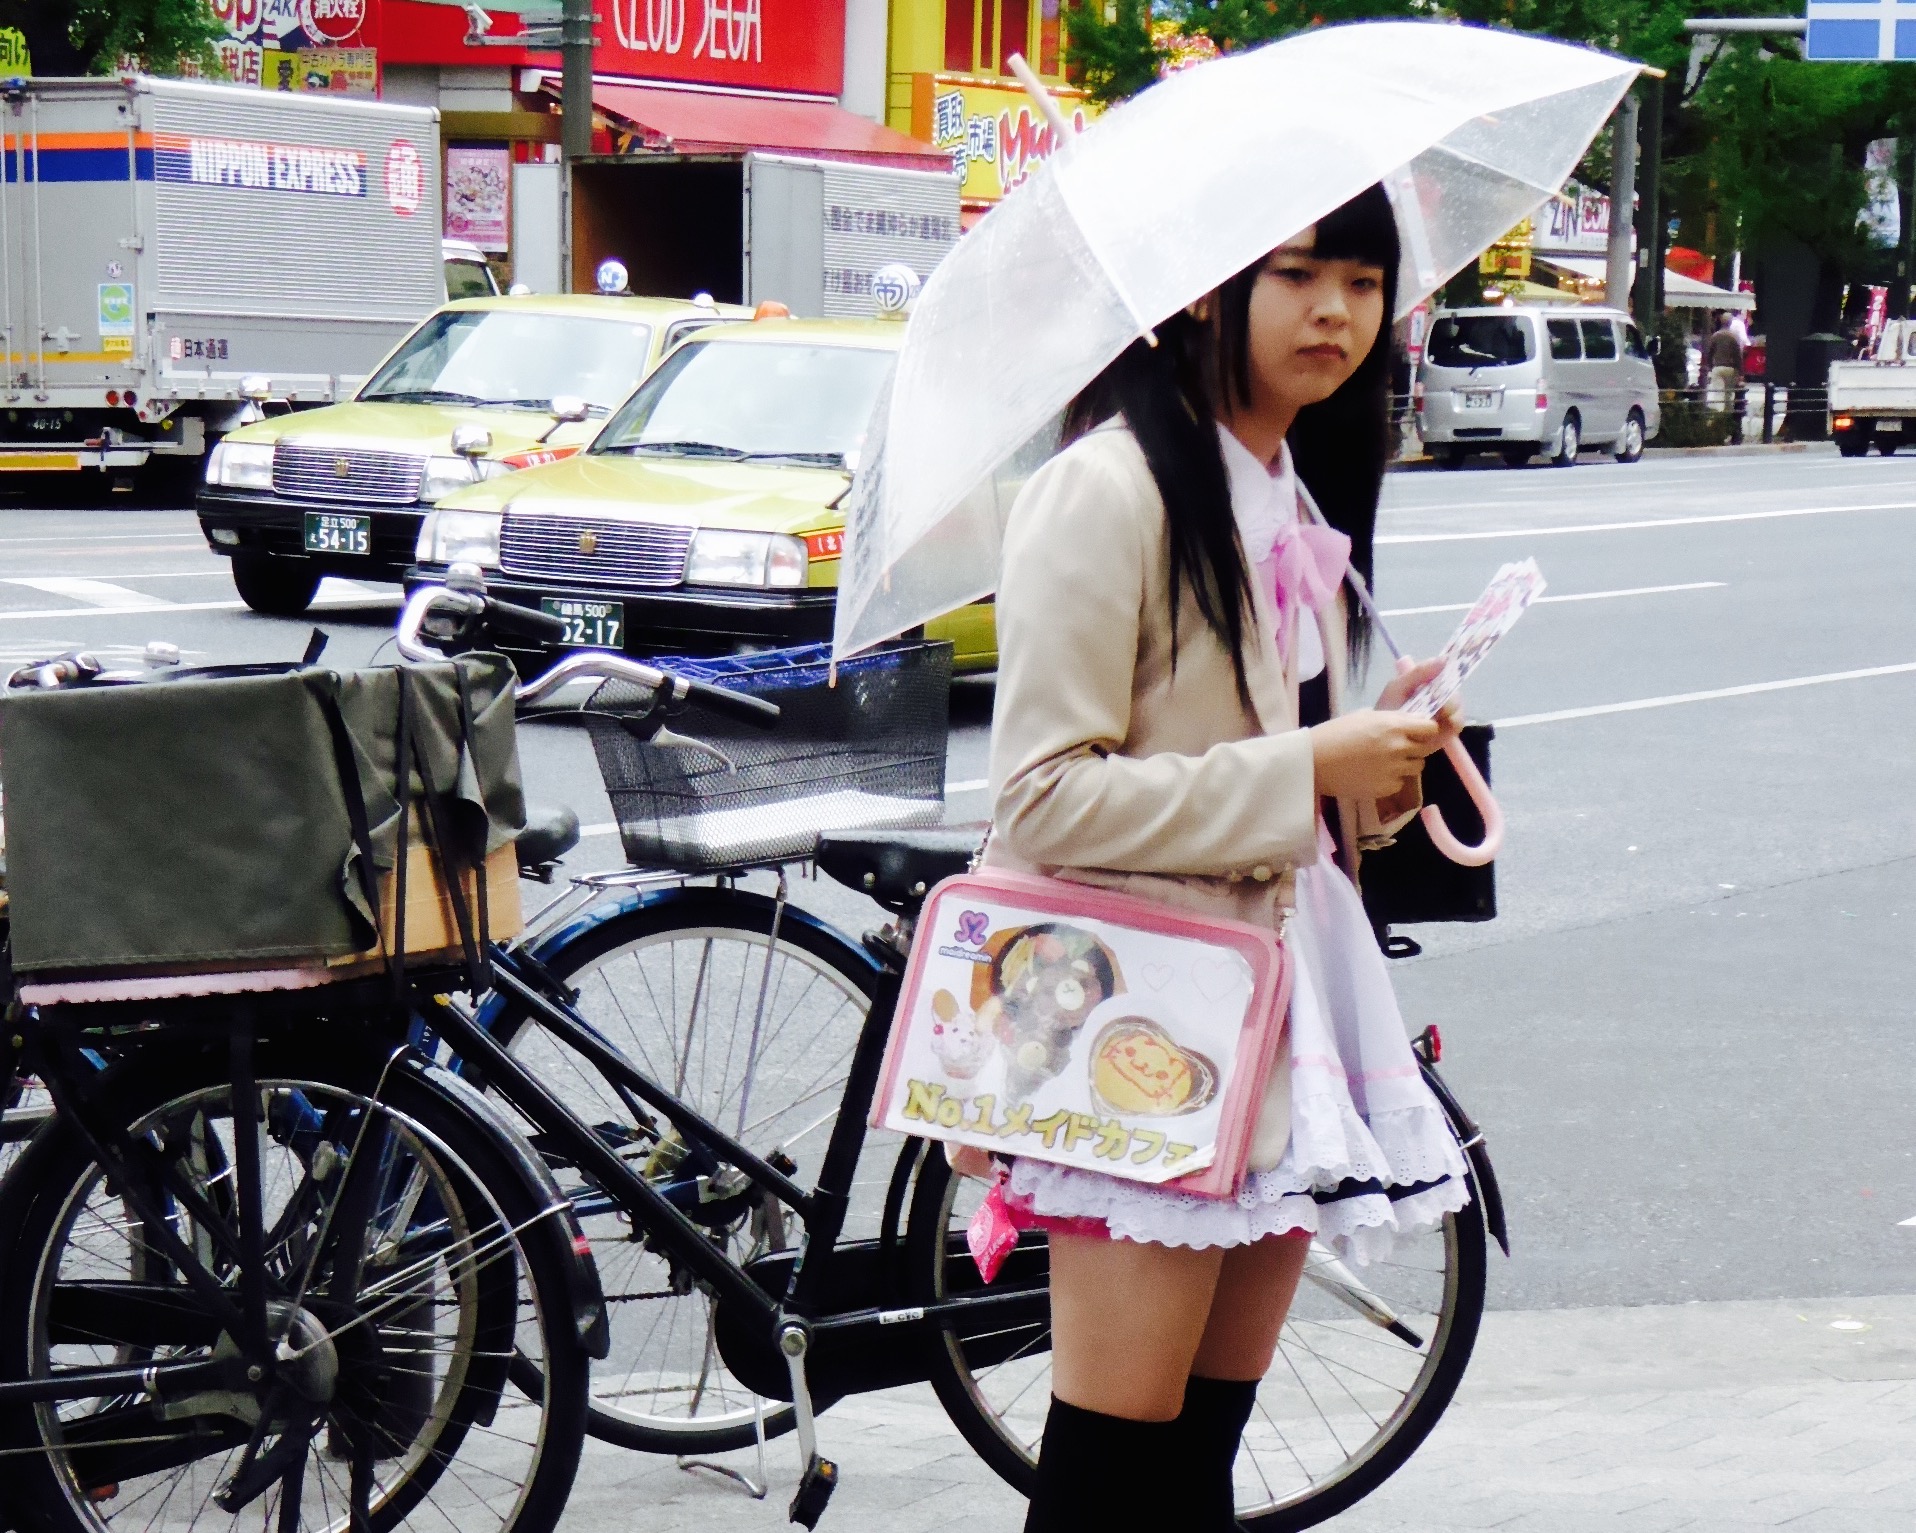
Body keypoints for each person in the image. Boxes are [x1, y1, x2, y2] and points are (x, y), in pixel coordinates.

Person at [985, 183, 1473, 1531]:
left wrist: (1379, 766)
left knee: (1201, 1453)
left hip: (1285, 1009)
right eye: (1300, 274)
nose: (1336, 312)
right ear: (1208, 287)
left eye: (1365, 283)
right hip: (1144, 1014)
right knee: (1111, 1469)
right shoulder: (1108, 490)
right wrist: (1308, 767)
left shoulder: (1287, 487)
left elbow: (1279, 777)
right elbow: (1042, 800)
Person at [1705, 311, 1744, 412]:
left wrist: (1709, 366)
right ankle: (1727, 417)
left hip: (1717, 368)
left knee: (1718, 393)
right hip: (1731, 369)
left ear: (1721, 322)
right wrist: (1741, 372)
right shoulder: (1734, 337)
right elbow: (1738, 355)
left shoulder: (1715, 336)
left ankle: (1718, 416)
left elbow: (1710, 353)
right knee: (1728, 394)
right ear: (1730, 323)